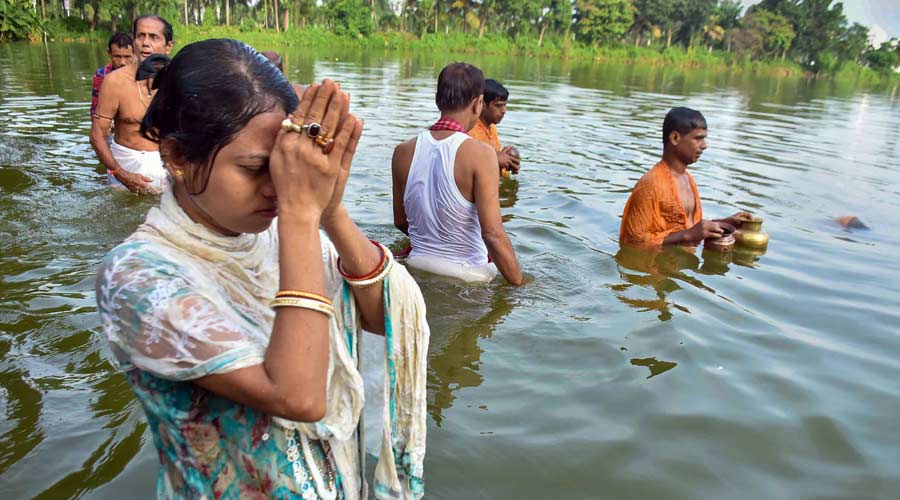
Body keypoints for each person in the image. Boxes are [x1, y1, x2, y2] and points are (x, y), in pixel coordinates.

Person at [95, 39, 429, 499]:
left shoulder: (274, 235)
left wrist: (329, 210)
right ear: (175, 158)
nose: (278, 188)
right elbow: (299, 396)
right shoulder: (136, 277)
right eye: (255, 169)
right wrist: (300, 215)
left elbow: (382, 316)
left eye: (283, 167)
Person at [391, 63, 523, 285]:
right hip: (470, 277)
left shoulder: (402, 152)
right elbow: (493, 235)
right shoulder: (483, 155)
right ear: (477, 103)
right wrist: (521, 285)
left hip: (416, 267)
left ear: (437, 100)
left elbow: (401, 221)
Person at [619, 107, 749, 248]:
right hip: (656, 268)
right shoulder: (651, 184)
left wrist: (725, 223)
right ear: (675, 138)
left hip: (681, 264)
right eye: (698, 138)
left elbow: (690, 228)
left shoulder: (688, 179)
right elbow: (631, 242)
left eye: (704, 139)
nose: (704, 146)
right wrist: (687, 235)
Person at [90, 14, 174, 194]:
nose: (145, 43)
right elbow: (97, 135)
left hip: (166, 168)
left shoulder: (178, 81)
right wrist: (121, 174)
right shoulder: (114, 82)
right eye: (140, 36)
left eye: (153, 37)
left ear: (168, 46)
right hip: (124, 167)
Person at [467, 79, 520, 177]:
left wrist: (508, 163)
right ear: (482, 104)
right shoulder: (470, 130)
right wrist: (496, 159)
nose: (504, 110)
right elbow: (469, 164)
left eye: (505, 105)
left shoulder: (492, 128)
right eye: (498, 106)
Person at [90, 32, 133, 117]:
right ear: (109, 53)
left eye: (127, 57)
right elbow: (96, 109)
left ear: (135, 54)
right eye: (117, 56)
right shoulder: (101, 75)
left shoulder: (142, 74)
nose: (122, 62)